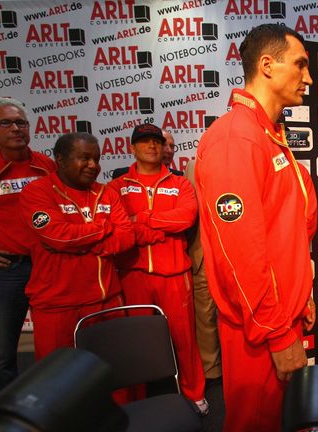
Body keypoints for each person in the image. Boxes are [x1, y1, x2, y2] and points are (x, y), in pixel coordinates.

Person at [194, 24, 315, 431]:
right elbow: (241, 256)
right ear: (267, 65)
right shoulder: (236, 138)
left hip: (279, 317)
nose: (309, 77)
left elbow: (287, 232)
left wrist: (302, 297)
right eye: (300, 64)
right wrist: (278, 334)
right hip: (259, 331)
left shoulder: (267, 135)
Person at [108, 124, 207, 413]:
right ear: (132, 148)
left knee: (185, 340)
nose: (152, 146)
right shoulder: (117, 186)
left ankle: (194, 393)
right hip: (133, 273)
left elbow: (185, 219)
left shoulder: (180, 183)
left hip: (174, 273)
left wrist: (144, 218)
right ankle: (135, 401)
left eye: (156, 141)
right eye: (145, 142)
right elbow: (120, 226)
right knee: (135, 341)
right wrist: (153, 226)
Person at [18, 132, 134, 359]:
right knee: (58, 380)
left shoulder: (107, 192)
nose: (93, 165)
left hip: (106, 302)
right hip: (58, 306)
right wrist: (103, 227)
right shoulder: (37, 192)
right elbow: (57, 236)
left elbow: (127, 237)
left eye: (97, 159)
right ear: (60, 160)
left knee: (117, 375)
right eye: (85, 158)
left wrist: (82, 245)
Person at [0, 97, 55, 397]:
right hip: (3, 270)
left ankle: (50, 407)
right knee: (1, 354)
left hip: (46, 267)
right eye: (6, 123)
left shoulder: (45, 166)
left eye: (21, 122)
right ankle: (5, 417)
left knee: (53, 345)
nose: (15, 128)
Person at [184, 159, 222, 382]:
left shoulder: (247, 163)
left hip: (238, 252)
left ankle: (237, 368)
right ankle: (212, 372)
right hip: (203, 252)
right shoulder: (195, 165)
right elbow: (191, 214)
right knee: (205, 315)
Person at [111, 128, 182, 179]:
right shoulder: (120, 175)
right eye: (163, 145)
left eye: (172, 146)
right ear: (133, 149)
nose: (169, 150)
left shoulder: (180, 177)